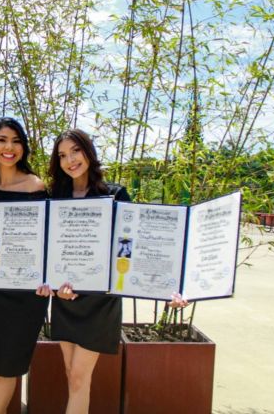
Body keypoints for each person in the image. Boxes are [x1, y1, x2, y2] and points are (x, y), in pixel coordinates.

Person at [48, 129, 188, 413]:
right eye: (62, 155)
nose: (70, 160)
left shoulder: (114, 194)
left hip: (100, 301)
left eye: (75, 151)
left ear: (88, 152)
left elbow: (137, 244)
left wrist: (168, 287)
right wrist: (53, 286)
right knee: (72, 376)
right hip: (65, 300)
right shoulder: (56, 196)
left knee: (78, 376)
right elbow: (49, 249)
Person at [0, 117, 52, 414]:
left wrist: (47, 277)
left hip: (25, 294)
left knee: (8, 366)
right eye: (2, 140)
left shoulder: (35, 185)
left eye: (16, 141)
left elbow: (46, 239)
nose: (9, 147)